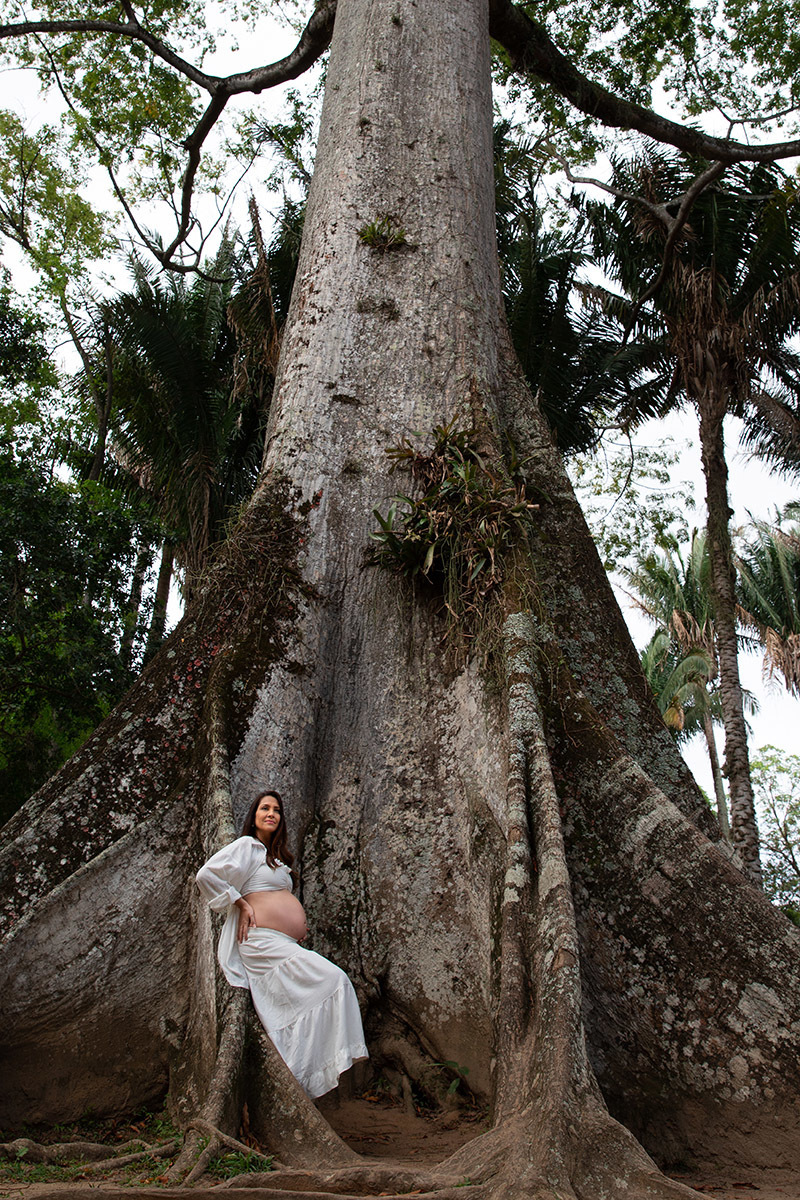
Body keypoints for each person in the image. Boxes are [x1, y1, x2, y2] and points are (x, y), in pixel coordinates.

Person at [195, 789, 368, 1098]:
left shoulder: (277, 860)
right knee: (334, 980)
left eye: (276, 809)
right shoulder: (247, 846)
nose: (271, 813)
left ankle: (298, 1075)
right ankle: (297, 1077)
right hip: (260, 943)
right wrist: (239, 903)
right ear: (254, 816)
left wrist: (293, 928)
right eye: (264, 808)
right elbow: (207, 875)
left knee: (306, 1001)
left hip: (283, 943)